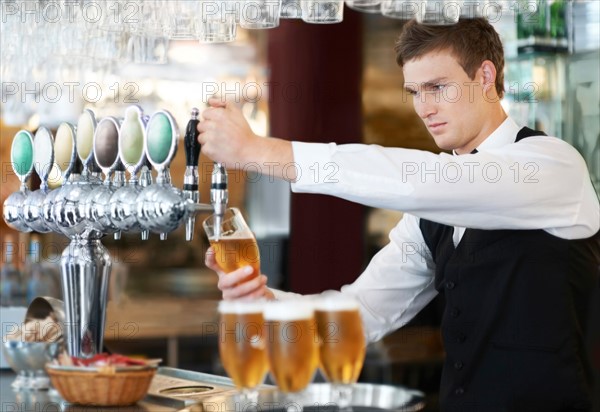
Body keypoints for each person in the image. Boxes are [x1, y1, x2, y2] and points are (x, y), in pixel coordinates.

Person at [197, 17, 600, 412]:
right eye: (415, 92)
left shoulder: (553, 166)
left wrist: (258, 152)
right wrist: (267, 301)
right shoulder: (430, 216)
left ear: (485, 76)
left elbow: (422, 181)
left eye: (437, 88)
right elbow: (361, 314)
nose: (424, 108)